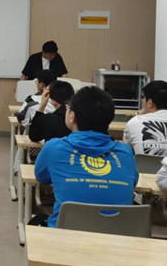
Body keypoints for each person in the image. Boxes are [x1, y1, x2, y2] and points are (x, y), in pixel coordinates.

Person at [34, 86, 138, 228]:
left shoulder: (53, 148)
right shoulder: (125, 153)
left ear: (72, 116)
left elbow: (41, 177)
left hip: (66, 235)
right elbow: (133, 182)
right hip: (117, 236)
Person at [124, 80, 167, 156]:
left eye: (143, 97)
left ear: (150, 103)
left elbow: (126, 150)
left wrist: (138, 114)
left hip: (142, 164)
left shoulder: (134, 122)